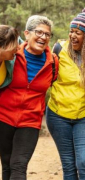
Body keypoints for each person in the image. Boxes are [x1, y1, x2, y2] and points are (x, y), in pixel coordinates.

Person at [46, 4, 85, 180]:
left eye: (78, 32)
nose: (72, 35)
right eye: (71, 30)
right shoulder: (59, 50)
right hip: (58, 115)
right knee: (69, 166)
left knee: (83, 162)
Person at [0, 15, 58, 180]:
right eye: (39, 32)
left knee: (19, 165)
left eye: (47, 34)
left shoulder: (53, 62)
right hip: (3, 117)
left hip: (30, 121)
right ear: (27, 33)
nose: (43, 37)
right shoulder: (11, 55)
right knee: (6, 164)